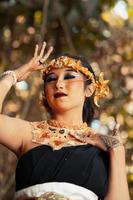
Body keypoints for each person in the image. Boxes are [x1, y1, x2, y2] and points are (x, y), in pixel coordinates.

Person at [0, 41, 130, 200]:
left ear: (89, 89)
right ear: (45, 93)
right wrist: (12, 76)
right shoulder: (27, 134)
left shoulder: (104, 148)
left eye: (69, 77)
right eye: (51, 79)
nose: (59, 84)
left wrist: (117, 151)